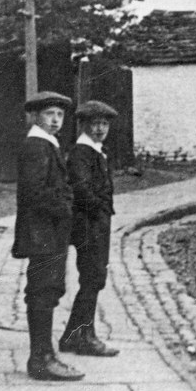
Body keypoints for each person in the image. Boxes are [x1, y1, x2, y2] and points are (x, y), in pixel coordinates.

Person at [13, 91, 85, 381]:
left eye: (60, 115)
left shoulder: (48, 145)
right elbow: (35, 193)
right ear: (35, 117)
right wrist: (66, 206)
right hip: (42, 231)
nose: (56, 120)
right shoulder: (36, 146)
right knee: (43, 290)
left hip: (49, 231)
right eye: (49, 114)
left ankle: (44, 354)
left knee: (50, 289)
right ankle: (41, 358)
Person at [59, 100, 120, 357]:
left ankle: (74, 336)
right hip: (88, 224)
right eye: (94, 123)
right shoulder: (81, 153)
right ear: (83, 125)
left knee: (94, 279)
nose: (99, 129)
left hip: (97, 223)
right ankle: (84, 337)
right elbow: (81, 190)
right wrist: (101, 209)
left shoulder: (96, 151)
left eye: (104, 124)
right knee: (92, 278)